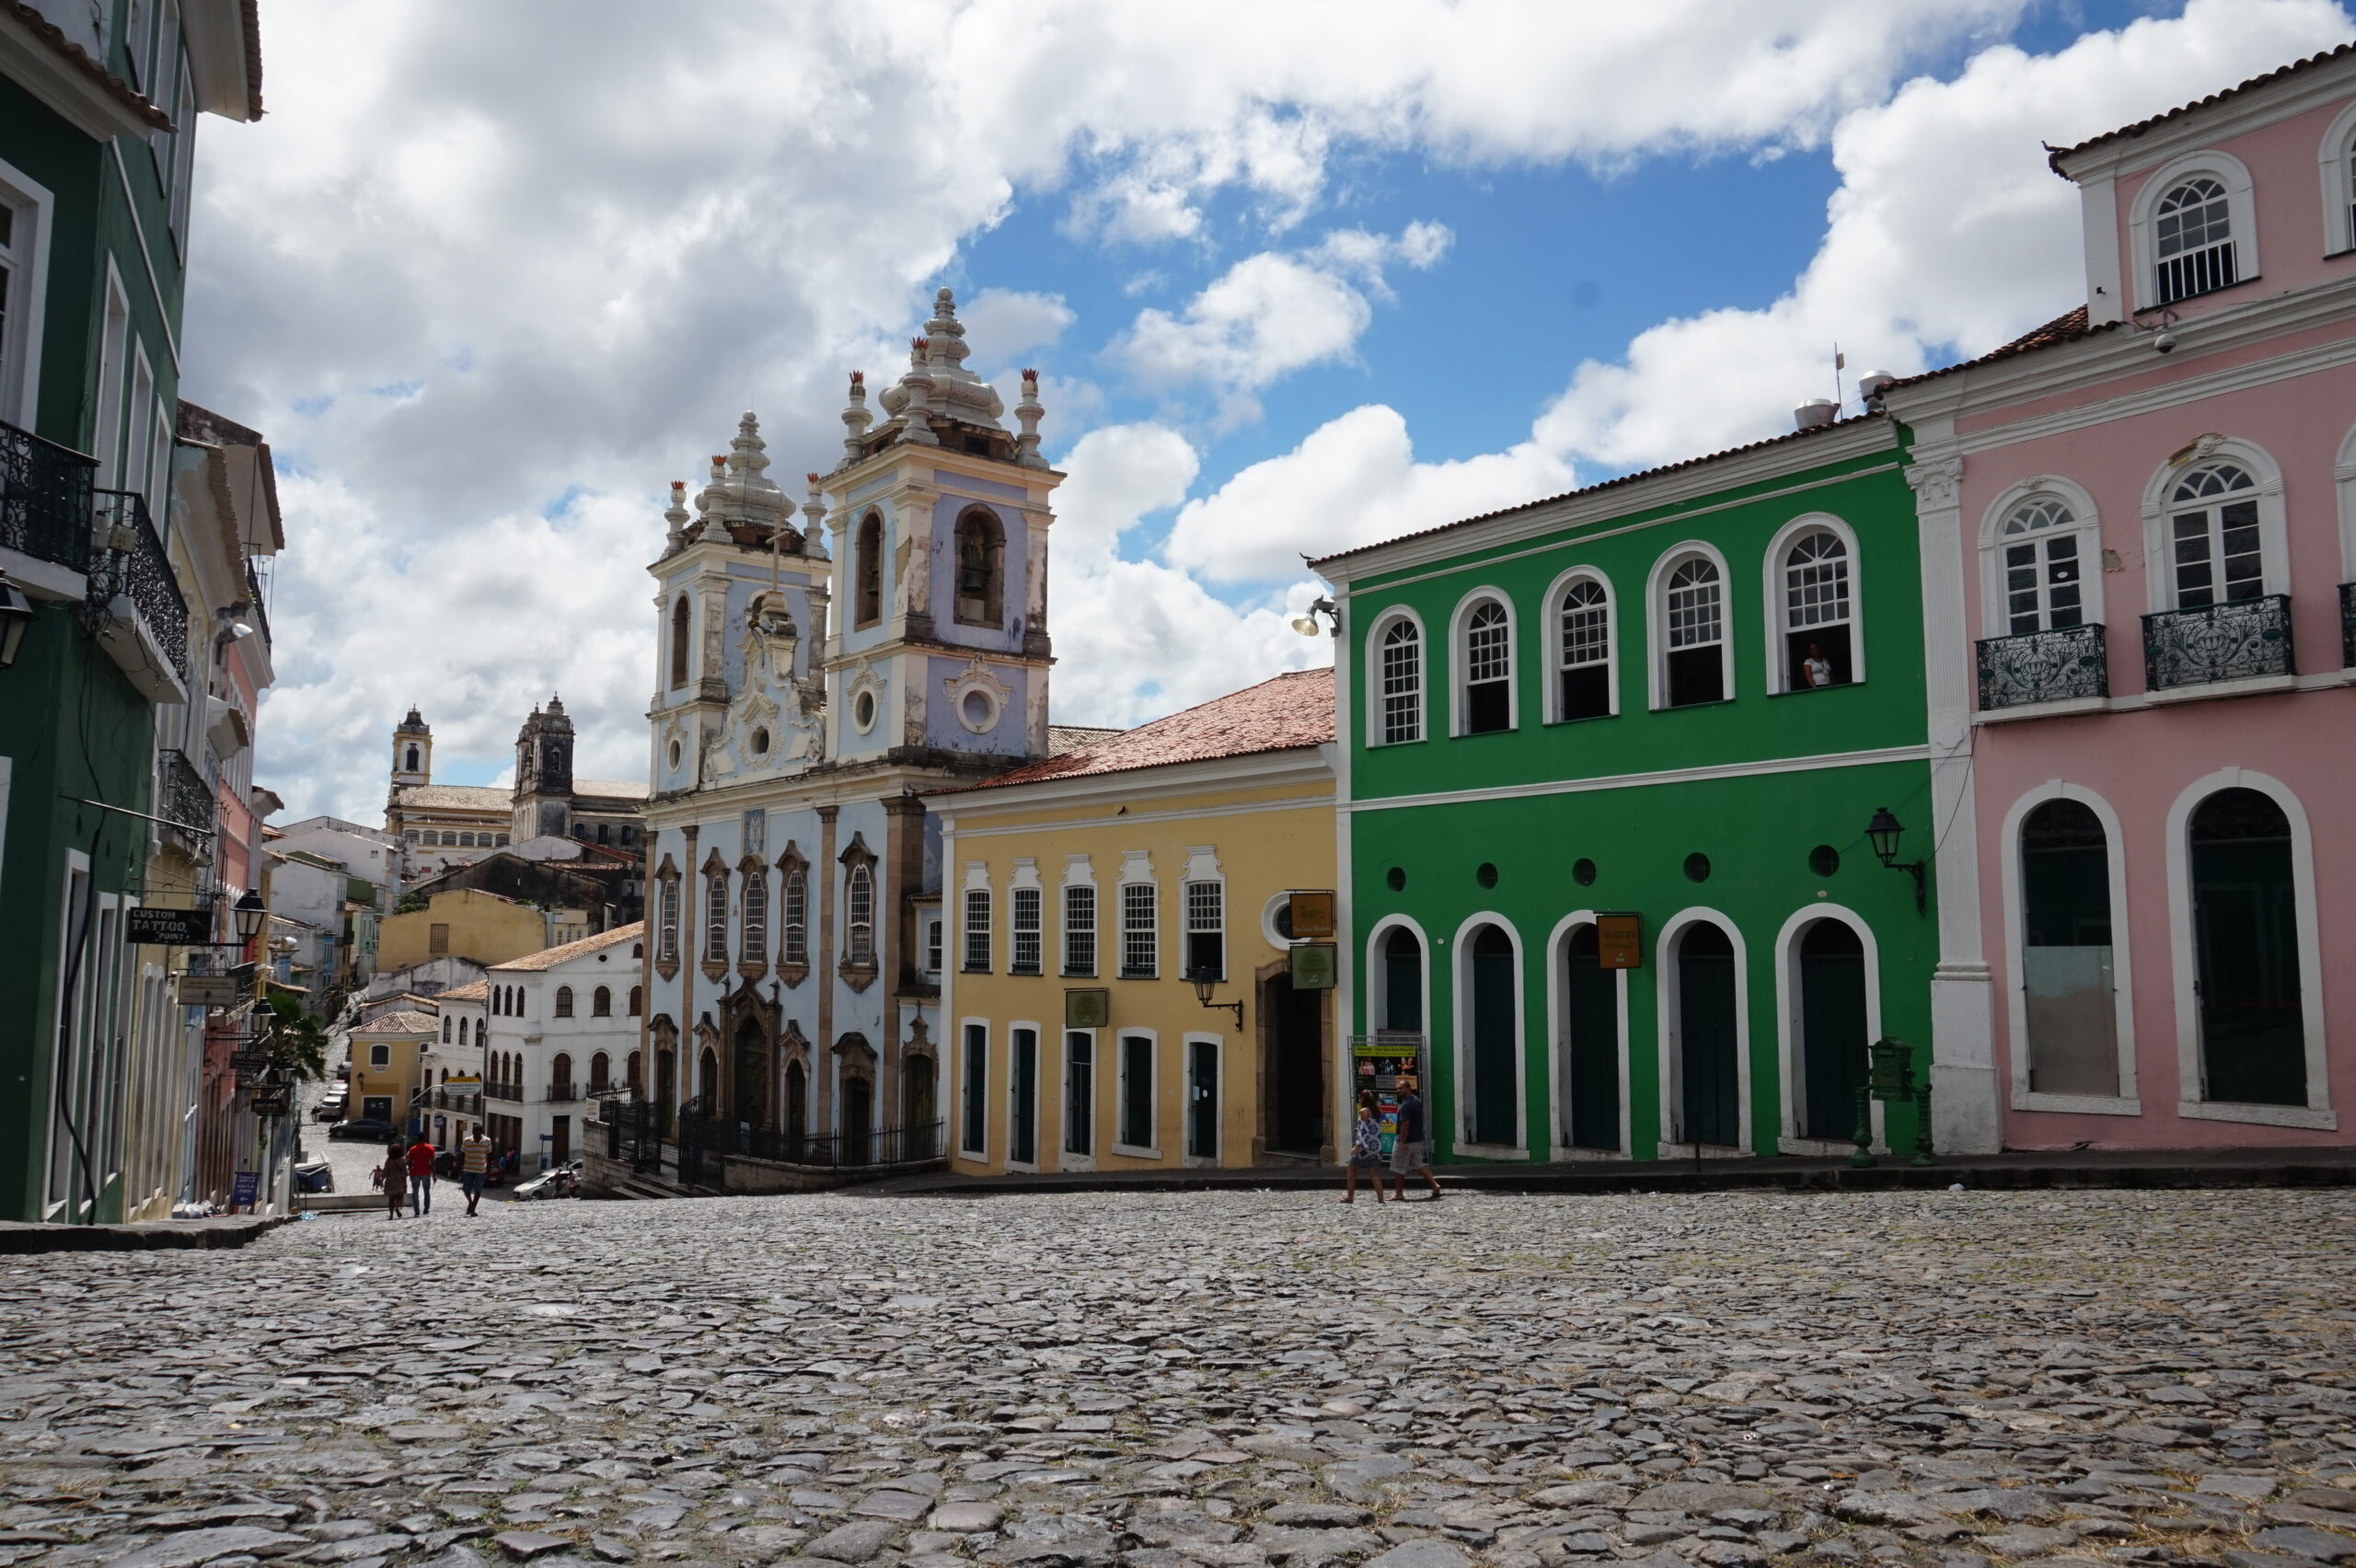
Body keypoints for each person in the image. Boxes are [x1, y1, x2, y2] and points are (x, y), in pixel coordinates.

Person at [1386, 1075, 1443, 1202]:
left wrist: (1403, 1141)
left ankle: (1399, 1193)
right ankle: (1435, 1185)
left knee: (1398, 1168)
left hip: (1406, 1141)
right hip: (1417, 1140)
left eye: (1401, 1088)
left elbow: (1405, 1124)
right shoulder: (1416, 1100)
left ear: (1408, 1088)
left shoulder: (1406, 1105)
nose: (1398, 1091)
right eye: (1397, 1089)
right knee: (1419, 1164)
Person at [1342, 1091, 1387, 1205]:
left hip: (1364, 1148)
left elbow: (1363, 1132)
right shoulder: (1378, 1111)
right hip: (1376, 1146)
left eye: (1360, 1097)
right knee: (1374, 1173)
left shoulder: (1363, 1111)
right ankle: (1381, 1199)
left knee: (1351, 1169)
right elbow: (1375, 1126)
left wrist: (1356, 1146)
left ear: (1362, 1099)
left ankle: (1350, 1197)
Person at [460, 1124, 492, 1216]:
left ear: (481, 1132)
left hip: (481, 1170)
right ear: (473, 1132)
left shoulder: (487, 1141)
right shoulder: (467, 1140)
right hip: (468, 1169)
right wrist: (460, 1168)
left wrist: (488, 1170)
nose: (477, 1135)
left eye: (478, 1133)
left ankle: (473, 1209)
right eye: (475, 1133)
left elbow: (489, 1156)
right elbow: (462, 1154)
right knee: (466, 1190)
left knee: (478, 1190)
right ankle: (471, 1203)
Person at [406, 1135, 436, 1216]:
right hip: (426, 1172)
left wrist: (410, 1172)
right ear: (425, 1138)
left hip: (415, 1172)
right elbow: (433, 1162)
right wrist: (434, 1175)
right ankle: (426, 1209)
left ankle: (417, 1210)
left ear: (417, 1139)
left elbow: (409, 1162)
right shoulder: (430, 1148)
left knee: (415, 1192)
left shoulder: (412, 1149)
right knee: (426, 1191)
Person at [381, 1140, 407, 1220]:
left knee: (391, 1199)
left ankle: (391, 1215)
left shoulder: (389, 1160)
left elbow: (385, 1171)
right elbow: (404, 1173)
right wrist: (405, 1182)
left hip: (390, 1181)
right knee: (400, 1196)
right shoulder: (402, 1160)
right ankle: (397, 1207)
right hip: (399, 1181)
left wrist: (382, 1180)